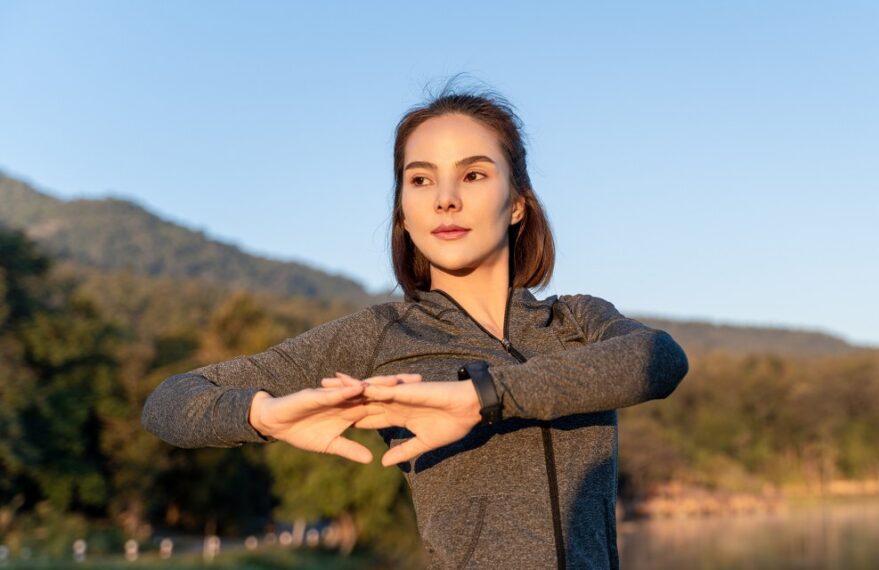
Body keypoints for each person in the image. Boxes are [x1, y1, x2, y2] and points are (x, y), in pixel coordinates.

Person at [141, 79, 690, 570]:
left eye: (473, 174)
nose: (446, 199)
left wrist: (481, 398)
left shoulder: (574, 321)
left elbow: (658, 360)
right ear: (403, 210)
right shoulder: (382, 334)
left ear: (518, 203)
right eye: (421, 180)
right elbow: (169, 402)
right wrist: (264, 414)